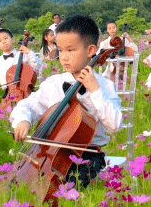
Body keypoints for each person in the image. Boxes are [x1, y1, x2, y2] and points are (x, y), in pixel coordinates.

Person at [11, 14, 123, 186]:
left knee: (71, 184)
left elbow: (114, 125)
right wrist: (23, 120)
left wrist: (95, 91)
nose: (63, 57)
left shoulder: (105, 86)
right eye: (60, 50)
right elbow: (27, 105)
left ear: (91, 51)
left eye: (70, 50)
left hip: (86, 157)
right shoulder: (54, 83)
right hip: (48, 154)